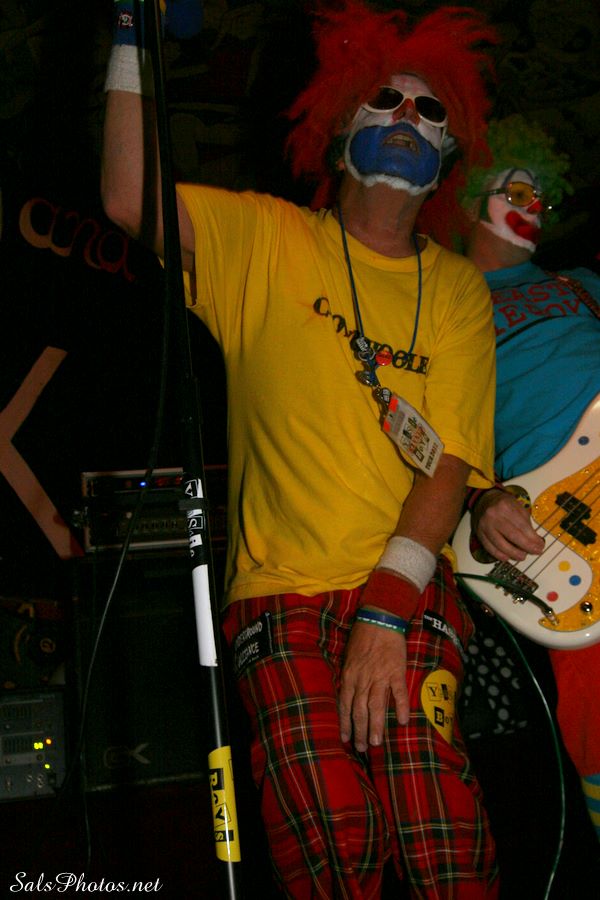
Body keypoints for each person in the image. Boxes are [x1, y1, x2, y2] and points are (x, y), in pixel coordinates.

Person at [101, 1, 501, 895]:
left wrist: (385, 613)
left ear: (449, 154)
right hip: (279, 595)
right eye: (388, 98)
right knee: (329, 835)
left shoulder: (458, 290)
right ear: (339, 124)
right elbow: (129, 197)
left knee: (439, 833)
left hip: (406, 588)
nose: (408, 116)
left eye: (431, 110)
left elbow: (450, 465)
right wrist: (132, 32)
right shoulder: (264, 239)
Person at [449, 113, 600, 844]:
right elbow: (422, 441)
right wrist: (479, 500)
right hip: (565, 528)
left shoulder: (583, 284)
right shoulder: (438, 306)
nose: (533, 206)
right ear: (468, 198)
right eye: (516, 191)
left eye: (542, 194)